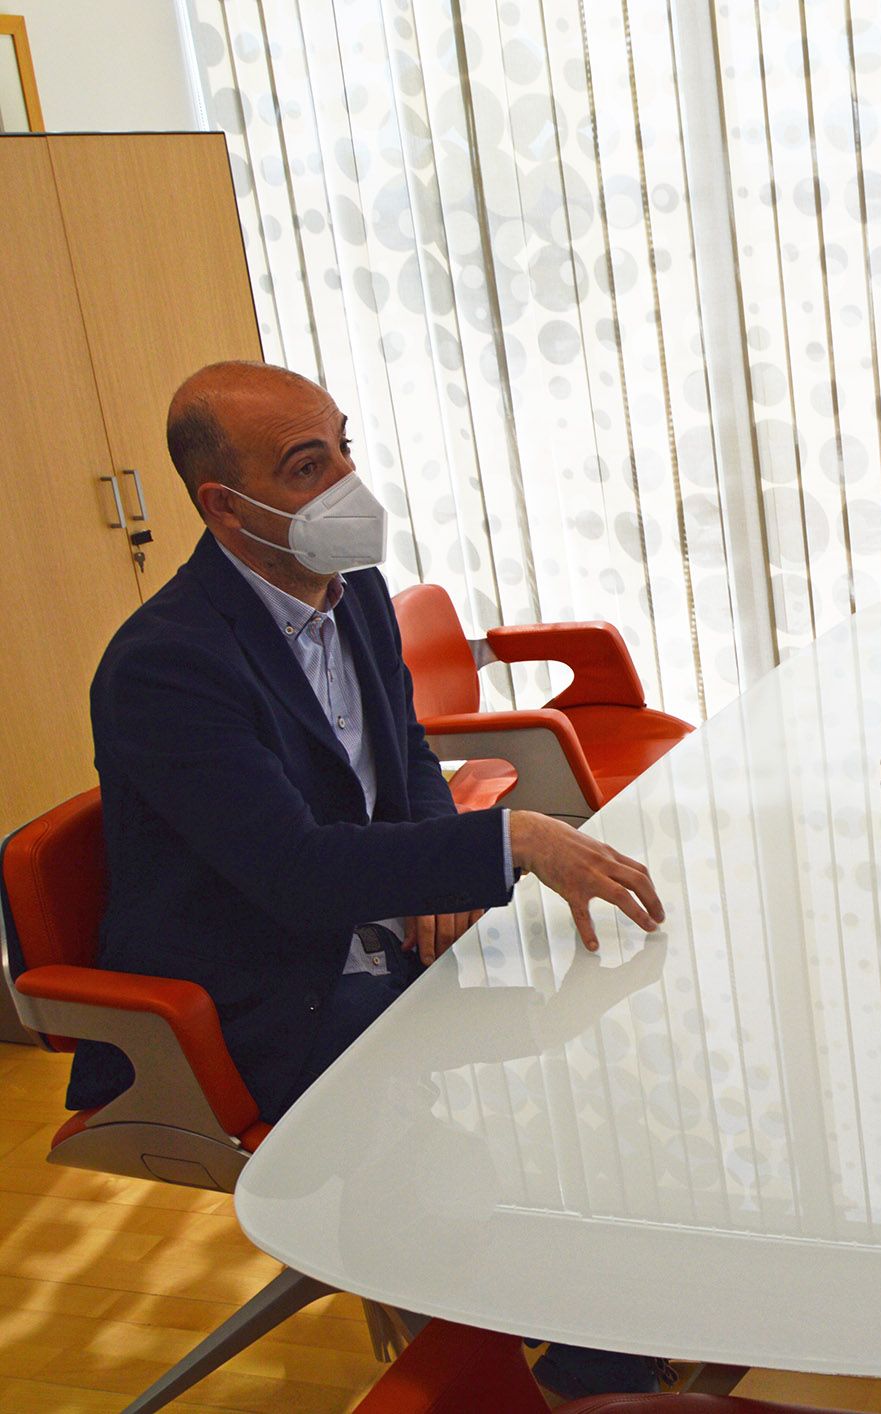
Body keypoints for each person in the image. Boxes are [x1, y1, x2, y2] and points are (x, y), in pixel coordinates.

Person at [70, 360, 671, 1398]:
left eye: (344, 445)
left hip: (374, 943)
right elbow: (292, 873)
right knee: (512, 1133)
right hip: (259, 994)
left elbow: (405, 767)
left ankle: (587, 1343)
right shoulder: (165, 665)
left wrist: (443, 871)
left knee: (601, 1044)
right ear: (224, 504)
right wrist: (510, 840)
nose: (349, 481)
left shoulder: (355, 599)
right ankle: (547, 1358)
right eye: (310, 466)